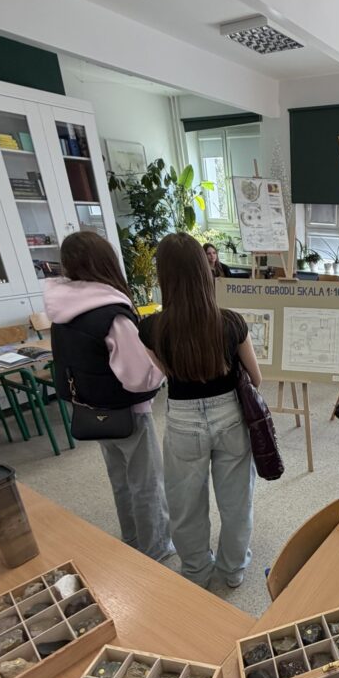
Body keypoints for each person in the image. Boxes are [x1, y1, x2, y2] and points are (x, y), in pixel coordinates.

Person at [139, 233, 261, 591]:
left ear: (164, 277)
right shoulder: (231, 322)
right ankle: (233, 569)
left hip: (182, 418)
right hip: (230, 416)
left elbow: (166, 372)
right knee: (236, 501)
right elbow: (255, 378)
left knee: (185, 504)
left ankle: (195, 571)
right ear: (204, 270)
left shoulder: (150, 327)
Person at [45, 230, 173, 563]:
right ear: (106, 262)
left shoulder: (61, 310)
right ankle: (156, 548)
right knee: (146, 482)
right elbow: (139, 376)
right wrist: (162, 365)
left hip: (91, 410)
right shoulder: (112, 314)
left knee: (120, 478)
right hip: (127, 411)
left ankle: (131, 538)